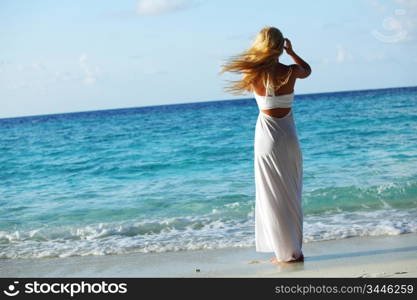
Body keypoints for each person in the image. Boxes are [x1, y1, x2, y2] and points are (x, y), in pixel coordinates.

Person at [220, 26, 311, 264]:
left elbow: (252, 77)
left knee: (272, 194)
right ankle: (294, 250)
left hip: (267, 137)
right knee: (291, 191)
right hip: (289, 135)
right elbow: (307, 70)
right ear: (282, 45)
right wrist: (291, 52)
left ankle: (284, 252)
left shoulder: (253, 75)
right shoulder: (291, 71)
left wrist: (260, 56)